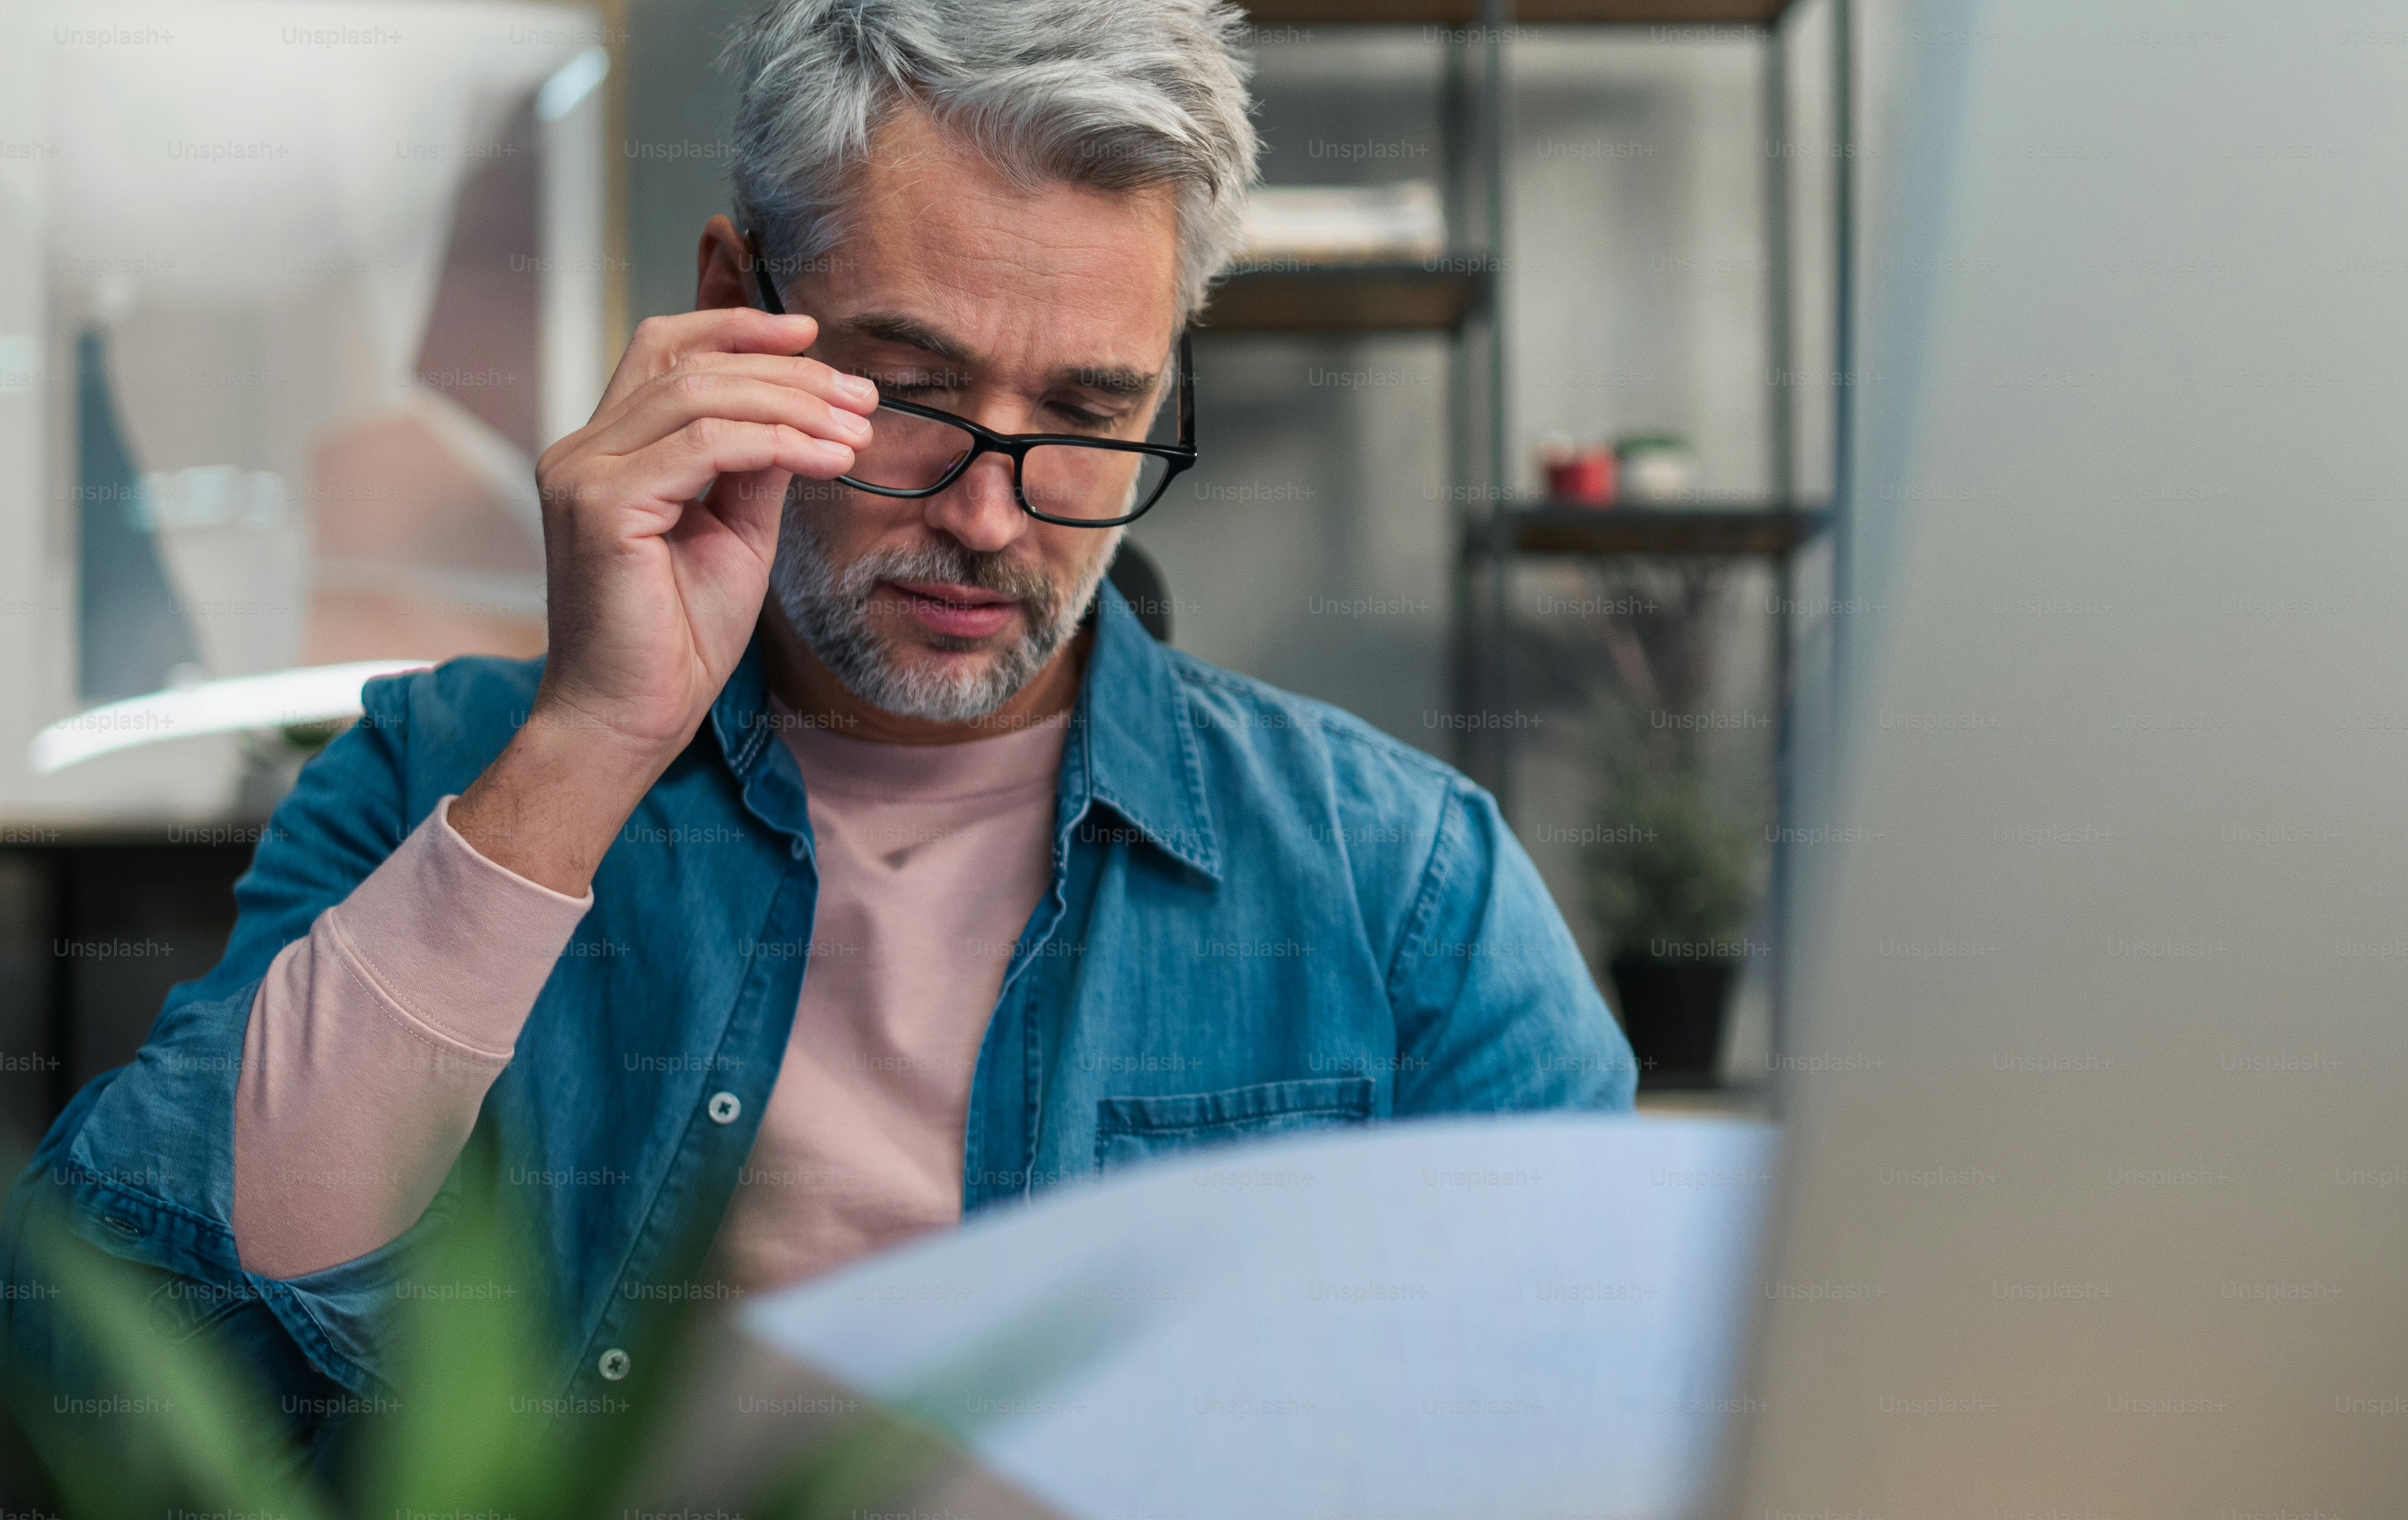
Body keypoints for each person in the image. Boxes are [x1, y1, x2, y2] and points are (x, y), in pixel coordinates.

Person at [1, 0, 1634, 1456]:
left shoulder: (1402, 883)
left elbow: (1599, 1435)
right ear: (733, 310)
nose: (995, 520)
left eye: (1087, 415)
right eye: (910, 393)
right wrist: (589, 741)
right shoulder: (441, 778)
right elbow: (95, 1362)